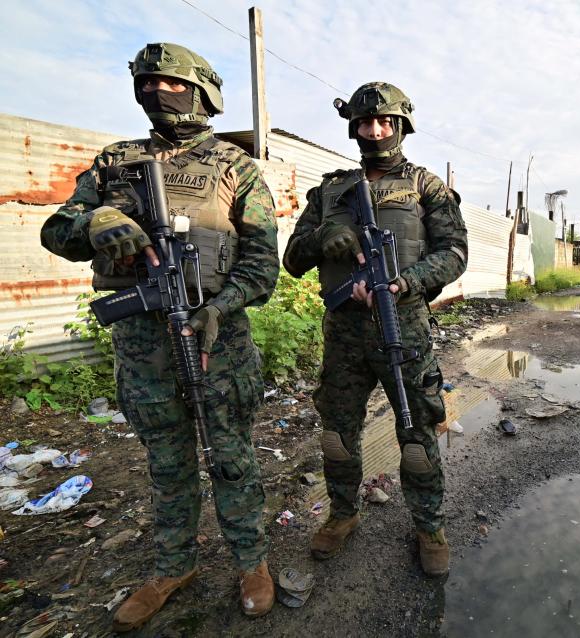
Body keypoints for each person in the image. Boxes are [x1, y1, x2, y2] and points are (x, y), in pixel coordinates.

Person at [40, 43, 279, 630]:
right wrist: (93, 220)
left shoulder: (234, 166)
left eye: (169, 84)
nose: (155, 93)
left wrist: (221, 306)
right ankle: (174, 565)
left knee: (231, 455)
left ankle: (251, 561)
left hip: (215, 339)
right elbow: (56, 228)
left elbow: (261, 263)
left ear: (200, 91)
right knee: (167, 461)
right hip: (143, 345)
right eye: (146, 84)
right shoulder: (114, 162)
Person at [282, 82, 468, 576]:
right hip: (344, 332)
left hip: (403, 328)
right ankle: (343, 514)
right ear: (354, 128)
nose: (376, 130)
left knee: (416, 431)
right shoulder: (329, 191)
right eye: (366, 122)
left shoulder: (426, 186)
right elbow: (292, 259)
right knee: (337, 435)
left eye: (385, 121)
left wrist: (406, 282)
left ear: (401, 125)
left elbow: (454, 254)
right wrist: (325, 237)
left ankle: (429, 525)